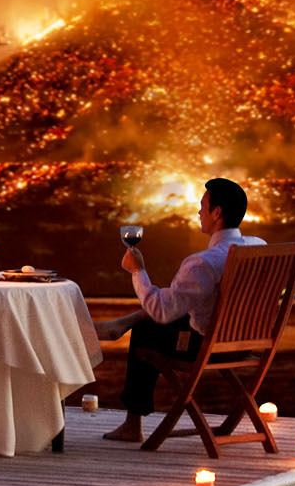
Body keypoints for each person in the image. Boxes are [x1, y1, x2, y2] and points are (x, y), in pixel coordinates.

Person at [99, 177, 265, 442]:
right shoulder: (259, 247)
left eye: (202, 207)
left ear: (217, 213)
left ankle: (132, 425)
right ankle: (120, 324)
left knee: (147, 328)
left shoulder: (204, 262)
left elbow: (162, 312)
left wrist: (137, 271)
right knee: (173, 307)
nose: (198, 213)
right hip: (245, 344)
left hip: (207, 347)